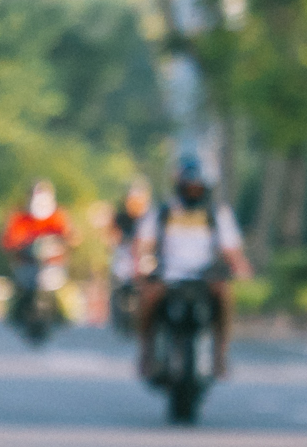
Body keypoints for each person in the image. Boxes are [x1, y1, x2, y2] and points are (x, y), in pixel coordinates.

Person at [134, 157, 252, 377]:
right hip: (168, 275)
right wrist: (141, 265)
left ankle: (220, 353)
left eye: (198, 188)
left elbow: (231, 250)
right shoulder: (163, 213)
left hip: (204, 276)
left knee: (224, 295)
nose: (193, 192)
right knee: (148, 296)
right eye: (189, 188)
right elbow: (144, 244)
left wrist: (240, 268)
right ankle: (147, 350)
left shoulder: (217, 214)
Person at [108, 179, 153, 332]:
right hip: (125, 255)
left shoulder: (150, 217)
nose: (134, 204)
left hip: (144, 256)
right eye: (131, 200)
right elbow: (113, 235)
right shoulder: (120, 217)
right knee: (117, 275)